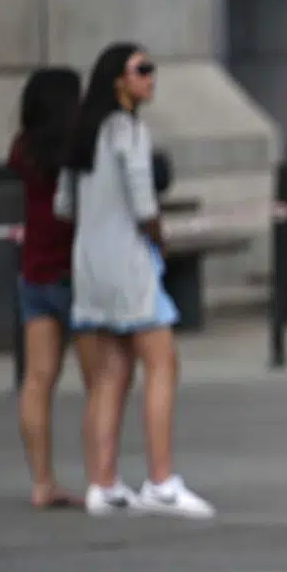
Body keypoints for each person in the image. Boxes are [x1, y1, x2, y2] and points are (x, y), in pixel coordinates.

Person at [55, 42, 214, 518]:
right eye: (141, 69)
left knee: (109, 373)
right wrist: (157, 237)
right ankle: (161, 479)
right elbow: (144, 204)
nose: (150, 77)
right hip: (129, 263)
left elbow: (64, 206)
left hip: (89, 264)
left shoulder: (82, 136)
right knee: (162, 362)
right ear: (117, 80)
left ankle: (102, 483)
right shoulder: (127, 130)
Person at [11, 67, 87, 510]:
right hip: (75, 273)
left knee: (37, 380)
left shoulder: (24, 150)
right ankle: (104, 478)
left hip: (34, 273)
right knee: (102, 381)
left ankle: (42, 480)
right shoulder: (75, 151)